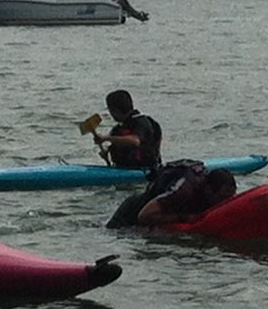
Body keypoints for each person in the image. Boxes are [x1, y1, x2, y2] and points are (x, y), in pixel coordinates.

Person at [107, 160, 237, 228]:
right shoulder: (184, 190)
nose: (226, 202)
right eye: (223, 198)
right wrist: (183, 218)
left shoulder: (213, 185)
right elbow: (144, 215)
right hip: (130, 215)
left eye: (230, 197)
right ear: (209, 190)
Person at [92, 90, 162, 169]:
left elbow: (135, 141)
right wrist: (106, 153)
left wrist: (106, 138)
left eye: (110, 110)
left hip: (144, 169)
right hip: (122, 168)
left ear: (115, 110)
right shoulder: (118, 128)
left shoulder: (141, 122)